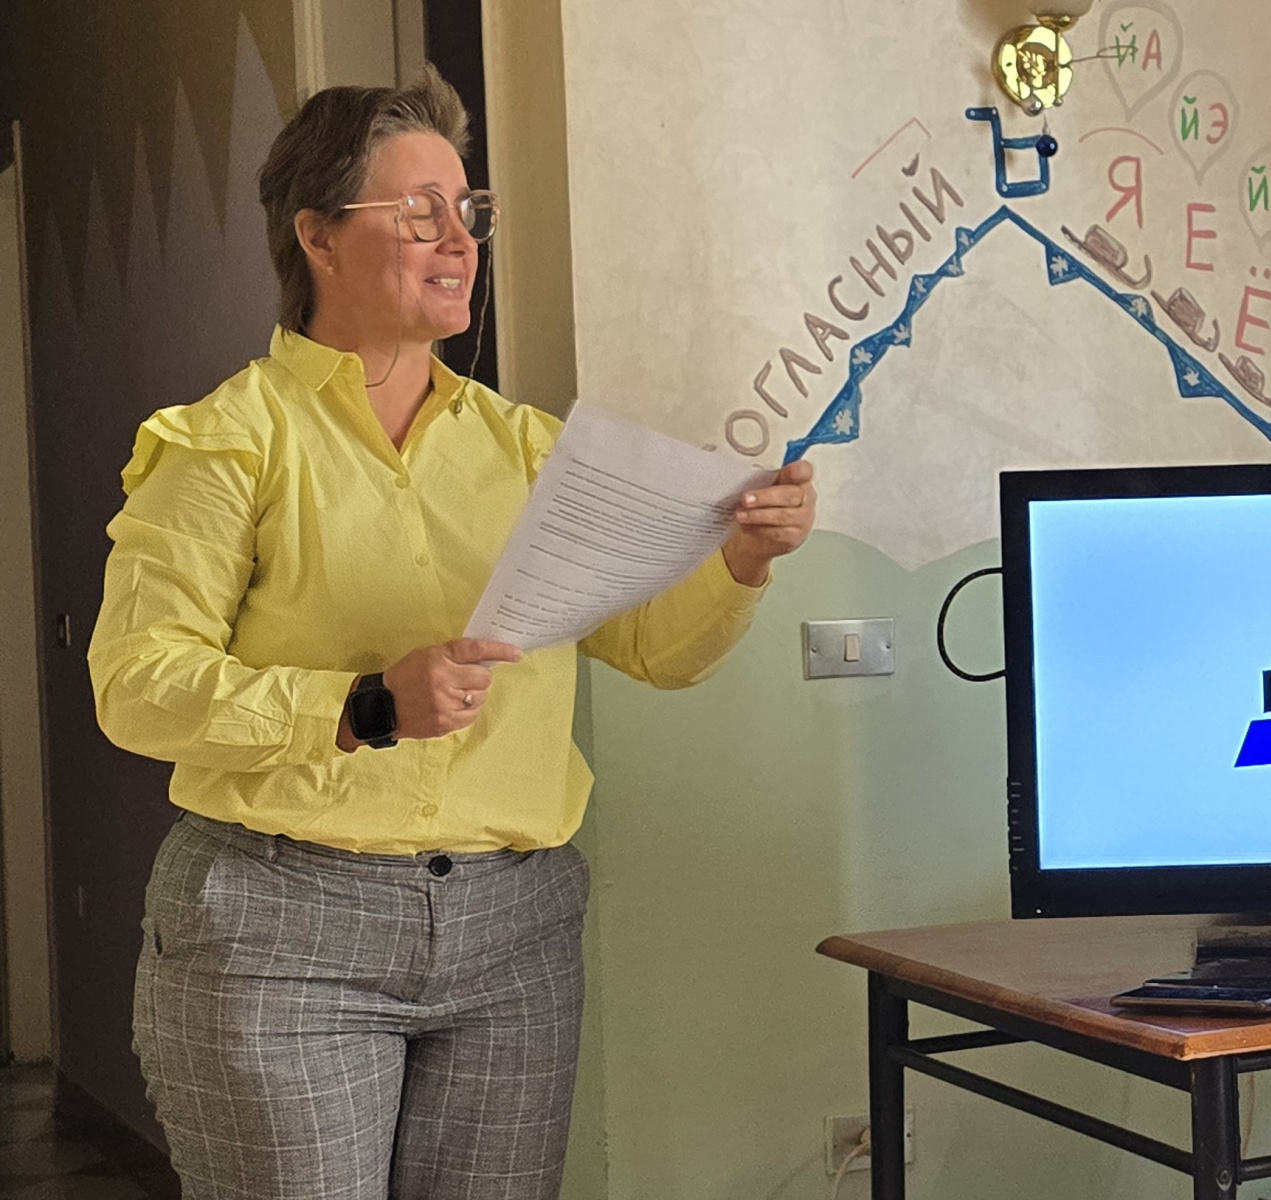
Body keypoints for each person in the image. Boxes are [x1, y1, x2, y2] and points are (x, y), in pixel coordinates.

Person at [86, 67, 814, 1198]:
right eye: (418, 212)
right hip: (281, 929)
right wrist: (363, 703)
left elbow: (653, 653)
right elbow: (138, 684)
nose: (459, 241)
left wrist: (743, 559)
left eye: (468, 211)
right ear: (317, 237)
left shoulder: (530, 450)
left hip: (513, 931)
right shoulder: (225, 440)